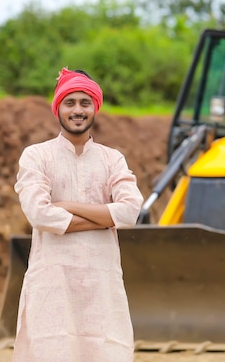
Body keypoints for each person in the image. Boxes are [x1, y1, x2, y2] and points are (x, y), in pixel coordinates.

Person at [12, 68, 143, 362]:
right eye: (70, 103)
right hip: (53, 283)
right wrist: (105, 219)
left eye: (85, 102)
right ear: (58, 107)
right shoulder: (37, 156)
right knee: (52, 350)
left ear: (95, 107)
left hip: (101, 282)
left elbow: (131, 211)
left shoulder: (112, 159)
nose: (78, 110)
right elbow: (40, 215)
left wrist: (68, 206)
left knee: (104, 350)